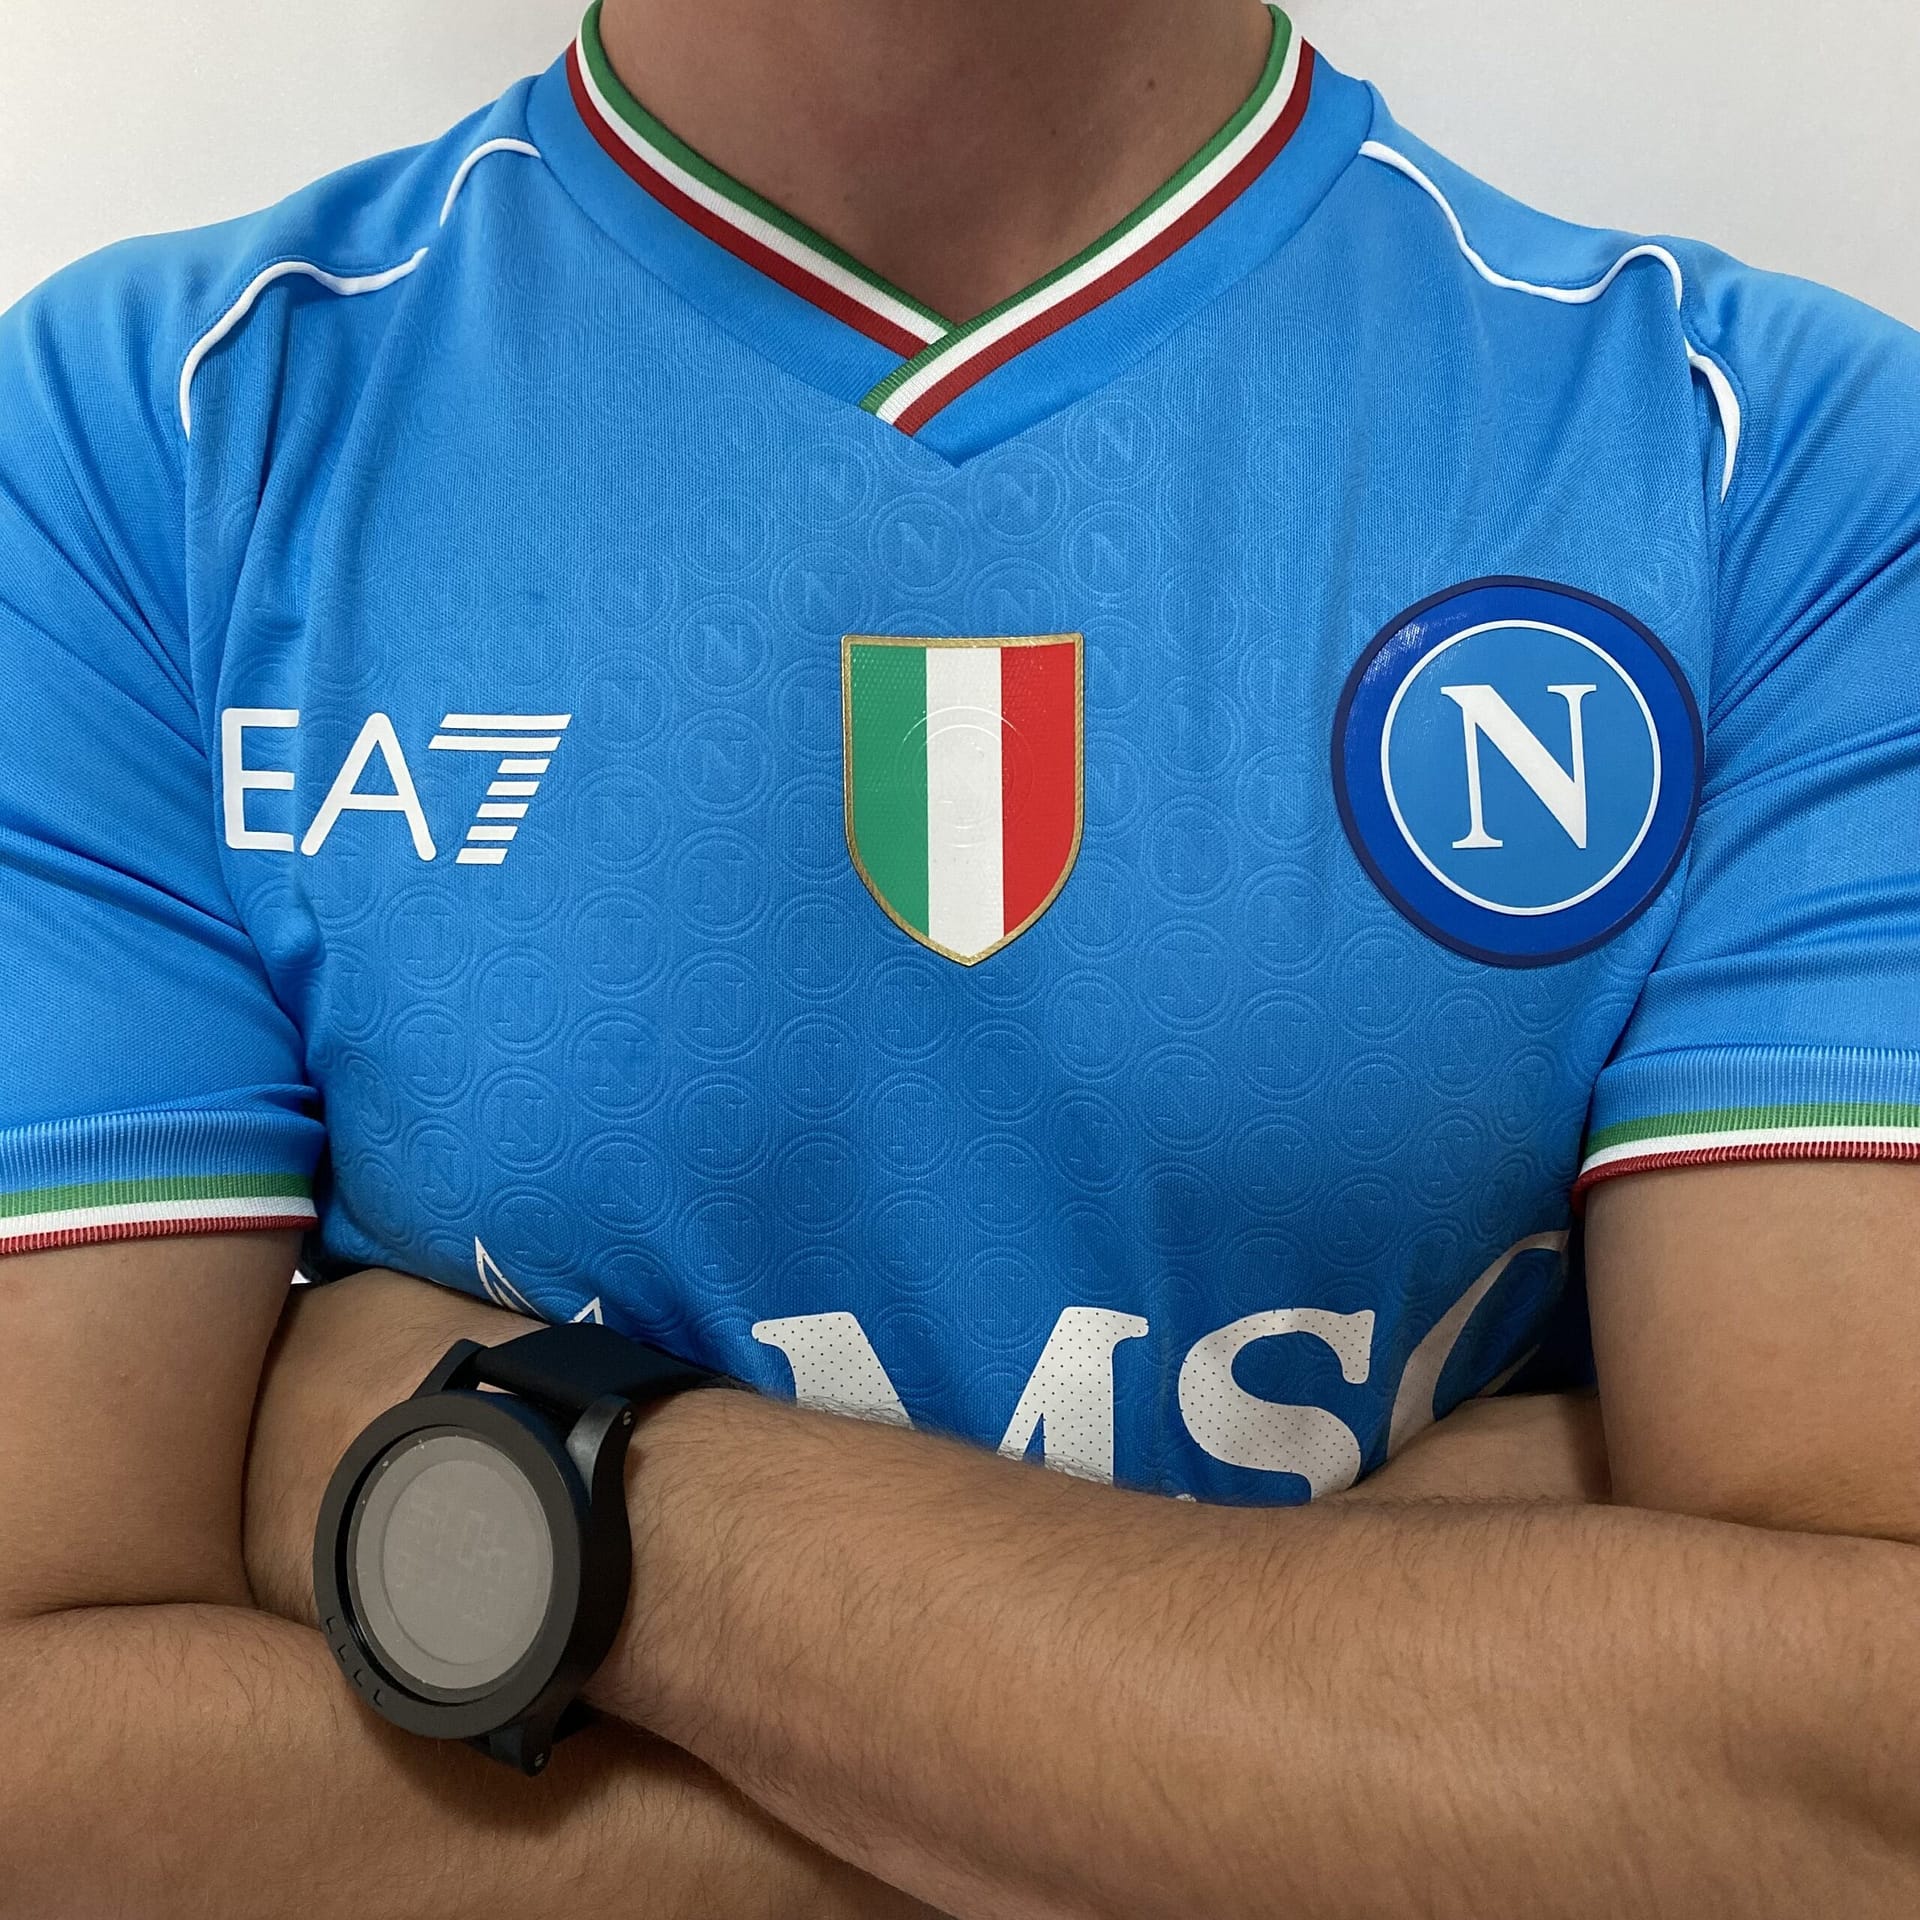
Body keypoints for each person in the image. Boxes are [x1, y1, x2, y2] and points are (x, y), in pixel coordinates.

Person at [2, 0, 1917, 1910]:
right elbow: (52, 1773)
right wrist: (1327, 1765)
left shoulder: (1775, 471)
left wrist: (516, 1488)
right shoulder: (140, 446)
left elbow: (1860, 1795)